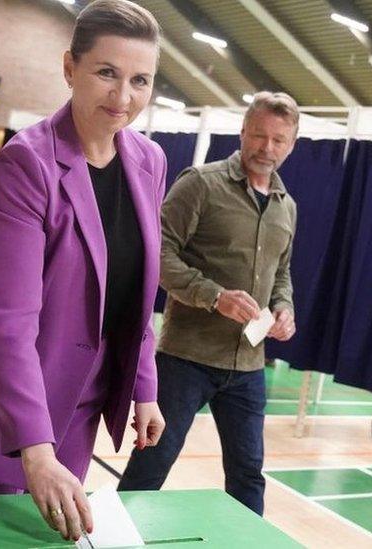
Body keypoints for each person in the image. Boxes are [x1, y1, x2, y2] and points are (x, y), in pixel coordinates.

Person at [0, 1, 166, 542]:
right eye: (107, 73)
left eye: (140, 80)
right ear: (69, 68)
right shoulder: (26, 164)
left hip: (76, 413)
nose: (123, 98)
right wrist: (35, 449)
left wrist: (144, 387)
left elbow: (134, 292)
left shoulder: (150, 162)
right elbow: (8, 319)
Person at [118, 92, 299, 515]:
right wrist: (213, 296)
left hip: (249, 368)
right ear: (242, 133)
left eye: (278, 140)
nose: (266, 148)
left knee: (248, 473)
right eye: (258, 136)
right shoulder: (200, 183)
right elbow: (156, 252)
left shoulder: (286, 207)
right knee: (152, 463)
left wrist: (285, 306)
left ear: (291, 145)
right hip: (186, 360)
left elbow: (282, 273)